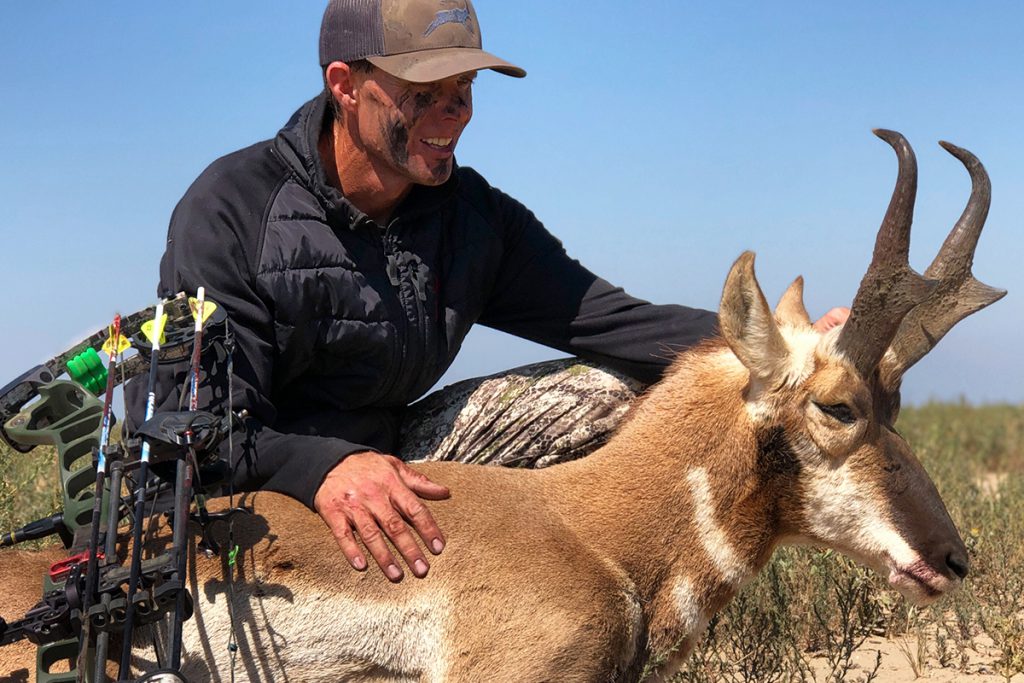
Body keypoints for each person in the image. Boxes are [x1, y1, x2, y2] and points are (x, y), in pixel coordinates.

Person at [129, 0, 847, 583]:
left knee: (606, 391)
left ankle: (579, 615)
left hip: (393, 459)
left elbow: (609, 320)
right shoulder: (229, 210)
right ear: (345, 85)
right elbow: (195, 433)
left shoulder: (472, 218)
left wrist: (792, 354)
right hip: (260, 489)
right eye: (425, 95)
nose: (455, 116)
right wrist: (322, 465)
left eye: (464, 93)